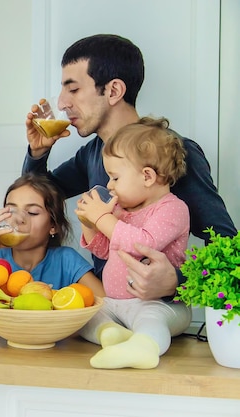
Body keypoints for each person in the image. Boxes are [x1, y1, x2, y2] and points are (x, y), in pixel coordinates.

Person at [22, 34, 237, 301]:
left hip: (154, 315)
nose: (62, 103)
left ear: (113, 91)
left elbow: (228, 247)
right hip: (109, 309)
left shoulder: (174, 154)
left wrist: (176, 282)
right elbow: (35, 200)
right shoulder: (90, 153)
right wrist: (38, 152)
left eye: (73, 89)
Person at [75, 117, 191, 369]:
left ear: (147, 176)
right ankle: (112, 334)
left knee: (151, 321)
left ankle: (145, 347)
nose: (109, 185)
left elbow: (141, 243)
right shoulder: (123, 211)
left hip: (157, 304)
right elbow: (106, 249)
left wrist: (102, 217)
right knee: (85, 316)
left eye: (115, 178)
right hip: (116, 304)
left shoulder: (172, 208)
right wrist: (89, 223)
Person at [0, 173, 105, 316]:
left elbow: (106, 306)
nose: (19, 219)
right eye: (11, 210)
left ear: (53, 225)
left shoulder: (66, 260)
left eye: (32, 212)